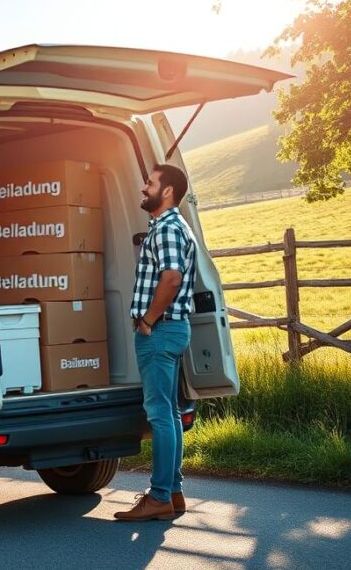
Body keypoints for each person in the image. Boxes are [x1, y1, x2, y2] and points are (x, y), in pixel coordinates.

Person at [114, 163, 197, 522]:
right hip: (171, 329)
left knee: (161, 415)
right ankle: (173, 492)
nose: (142, 188)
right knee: (171, 414)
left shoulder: (166, 229)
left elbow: (172, 279)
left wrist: (147, 320)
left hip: (160, 330)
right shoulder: (176, 227)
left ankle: (160, 495)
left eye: (149, 183)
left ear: (167, 191)